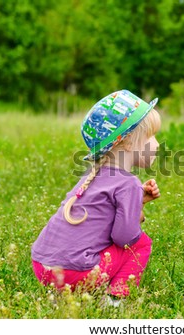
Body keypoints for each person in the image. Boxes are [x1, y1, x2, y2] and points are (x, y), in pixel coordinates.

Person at [31, 90, 161, 306]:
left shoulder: (92, 176)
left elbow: (100, 216)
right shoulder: (128, 183)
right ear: (128, 142)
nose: (157, 144)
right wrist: (135, 209)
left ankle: (60, 294)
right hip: (76, 272)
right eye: (152, 136)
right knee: (141, 244)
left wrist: (139, 201)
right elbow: (123, 237)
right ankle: (114, 301)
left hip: (42, 267)